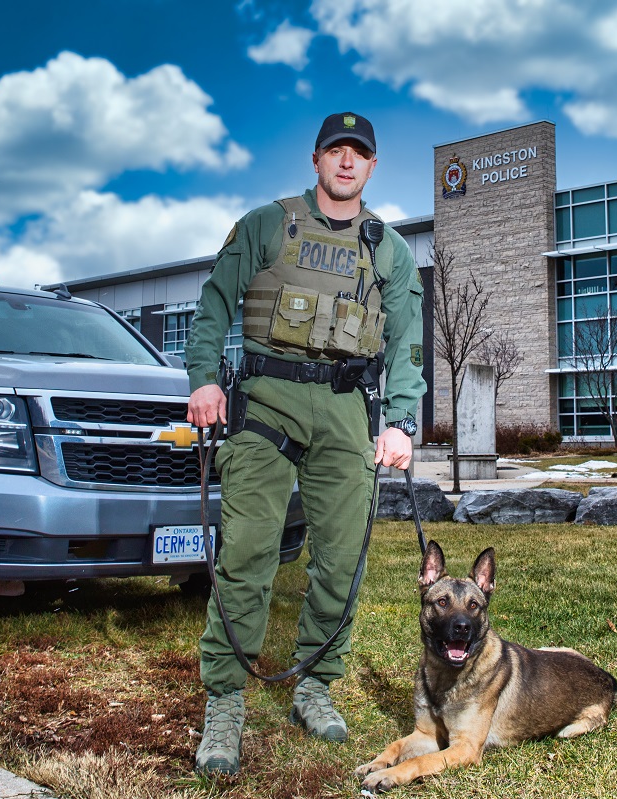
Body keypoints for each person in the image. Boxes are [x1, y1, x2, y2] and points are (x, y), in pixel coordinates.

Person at [184, 111, 426, 775]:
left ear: (371, 167)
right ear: (316, 159)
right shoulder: (268, 224)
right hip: (267, 399)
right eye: (335, 151)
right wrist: (205, 378)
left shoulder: (390, 249)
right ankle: (227, 700)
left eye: (359, 154)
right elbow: (214, 304)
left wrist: (400, 419)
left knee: (342, 557)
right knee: (250, 546)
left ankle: (315, 686)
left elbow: (407, 340)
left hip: (348, 408)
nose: (346, 162)